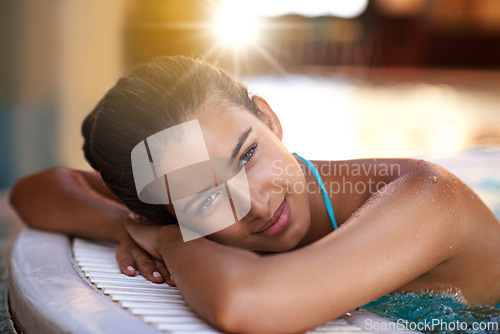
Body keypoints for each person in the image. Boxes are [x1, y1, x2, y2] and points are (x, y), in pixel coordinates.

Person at [9, 56, 500, 333]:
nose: (255, 202)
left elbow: (248, 304)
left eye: (246, 155)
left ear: (269, 118)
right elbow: (38, 191)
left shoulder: (428, 200)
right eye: (204, 197)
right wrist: (126, 224)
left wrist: (166, 238)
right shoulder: (172, 199)